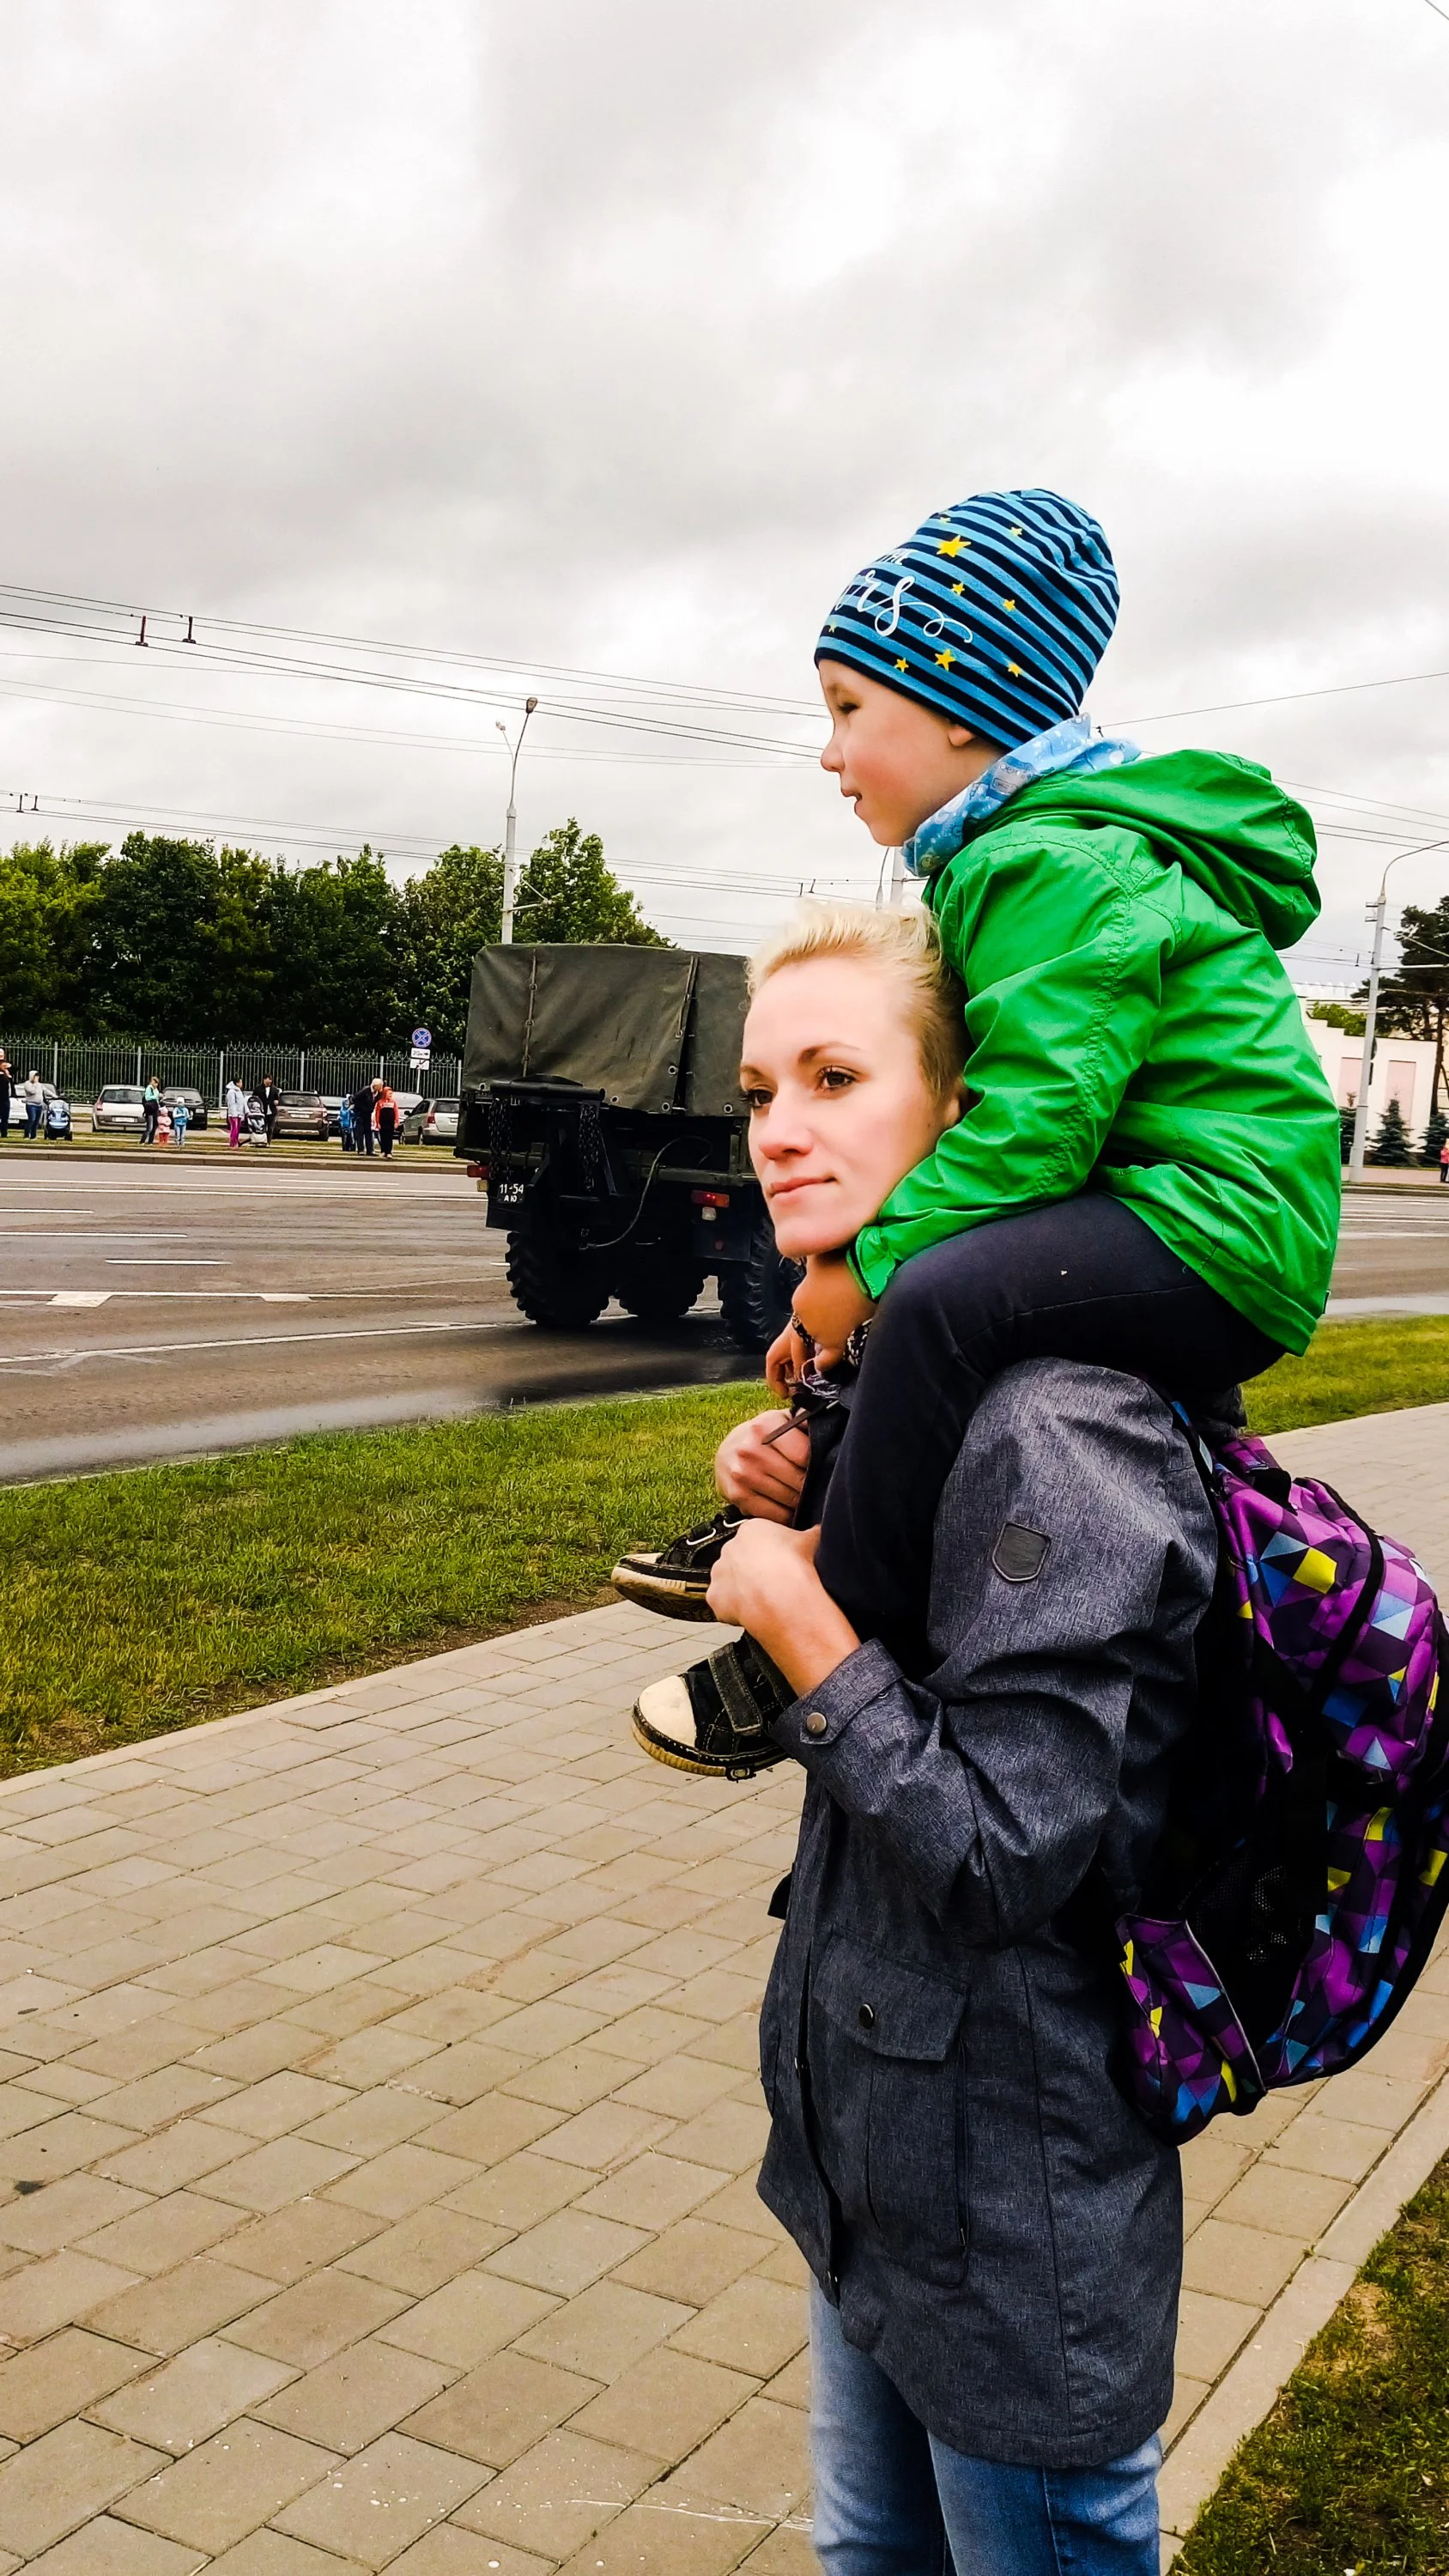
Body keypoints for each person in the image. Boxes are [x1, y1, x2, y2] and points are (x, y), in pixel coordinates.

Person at [643, 920, 1219, 2572]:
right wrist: (805, 1490)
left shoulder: (1056, 1423)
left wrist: (795, 1619)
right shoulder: (909, 1384)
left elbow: (997, 1852)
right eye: (760, 1088)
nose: (776, 1130)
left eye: (834, 1079)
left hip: (1007, 2215)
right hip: (874, 2171)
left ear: (963, 1114)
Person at [619, 489, 1340, 1700]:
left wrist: (861, 1268)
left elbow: (1034, 1127)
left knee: (937, 1296)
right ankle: (788, 1514)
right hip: (1177, 1216)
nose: (828, 752)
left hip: (1211, 1226)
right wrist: (852, 1298)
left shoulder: (1043, 860)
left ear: (962, 708)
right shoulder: (1023, 855)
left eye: (849, 707)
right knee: (932, 1297)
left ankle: (815, 1636)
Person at [349, 1078, 377, 1157]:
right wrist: (360, 1108)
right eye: (380, 1086)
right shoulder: (365, 1091)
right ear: (375, 1086)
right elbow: (354, 1098)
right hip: (360, 1113)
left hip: (368, 1113)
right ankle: (360, 1149)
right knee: (360, 1131)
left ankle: (370, 1150)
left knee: (369, 1132)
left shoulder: (377, 1093)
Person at [373, 1078, 398, 1158]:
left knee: (389, 1137)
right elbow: (377, 1113)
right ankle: (383, 1151)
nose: (390, 1095)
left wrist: (396, 1121)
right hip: (383, 1123)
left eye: (391, 1094)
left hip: (390, 1123)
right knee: (383, 1137)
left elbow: (396, 1112)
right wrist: (378, 1123)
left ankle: (389, 1152)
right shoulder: (380, 1102)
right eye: (389, 1094)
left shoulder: (393, 1102)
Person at [21, 1071, 45, 1141]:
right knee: (32, 1119)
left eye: (38, 1076)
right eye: (35, 1076)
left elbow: (44, 1091)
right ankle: (26, 1135)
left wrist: (55, 1096)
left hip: (39, 1105)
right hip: (31, 1105)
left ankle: (33, 1136)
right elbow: (32, 1091)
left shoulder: (40, 1085)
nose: (37, 1078)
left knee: (36, 1121)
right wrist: (35, 1084)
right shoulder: (27, 1084)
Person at [224, 1077, 247, 1149]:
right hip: (234, 1114)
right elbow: (232, 1103)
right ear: (237, 1083)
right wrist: (234, 1114)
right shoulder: (231, 1092)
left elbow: (241, 1103)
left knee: (237, 1129)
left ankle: (235, 1142)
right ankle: (233, 1143)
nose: (241, 1084)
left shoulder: (239, 1091)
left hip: (239, 1114)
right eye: (240, 1082)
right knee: (234, 1129)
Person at [258, 1075, 281, 1140]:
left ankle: (269, 1141)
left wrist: (277, 1101)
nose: (270, 1081)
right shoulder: (258, 1088)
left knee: (271, 1128)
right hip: (262, 1111)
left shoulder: (275, 1089)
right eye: (268, 1080)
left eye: (271, 1080)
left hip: (272, 1111)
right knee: (263, 1127)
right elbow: (254, 1098)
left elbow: (277, 1099)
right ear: (264, 1080)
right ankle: (263, 1140)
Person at [140, 1077, 161, 1145]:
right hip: (150, 1110)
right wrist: (156, 1096)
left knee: (154, 1126)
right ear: (150, 1082)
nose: (155, 1084)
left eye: (156, 1083)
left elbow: (157, 1100)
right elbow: (147, 1098)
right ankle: (142, 1141)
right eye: (154, 1083)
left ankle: (150, 1142)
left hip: (155, 1109)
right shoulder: (149, 1089)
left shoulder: (156, 1090)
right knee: (150, 1128)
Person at [0, 1054, 11, 1139]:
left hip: (5, 1099)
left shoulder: (6, 1075)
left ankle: (4, 1134)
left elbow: (15, 1068)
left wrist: (7, 1071)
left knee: (5, 1118)